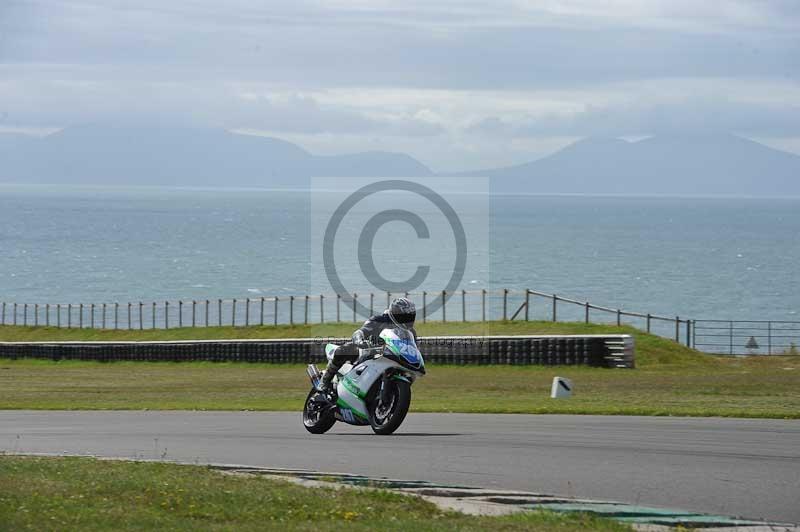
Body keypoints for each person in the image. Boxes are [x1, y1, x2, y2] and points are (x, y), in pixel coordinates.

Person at [319, 297, 417, 393]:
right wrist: (360, 341)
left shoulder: (410, 333)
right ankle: (325, 380)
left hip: (393, 358)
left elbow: (413, 349)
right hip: (370, 352)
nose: (407, 320)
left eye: (409, 317)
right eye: (404, 316)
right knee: (344, 350)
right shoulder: (380, 320)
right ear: (395, 313)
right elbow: (361, 332)